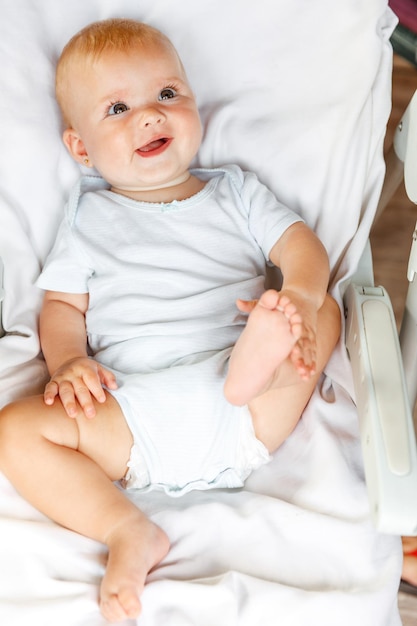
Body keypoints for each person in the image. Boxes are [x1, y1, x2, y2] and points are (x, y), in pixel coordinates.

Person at [0, 18, 341, 623]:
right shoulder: (87, 218)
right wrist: (70, 362)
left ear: (193, 104)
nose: (150, 117)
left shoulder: (234, 192)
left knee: (326, 306)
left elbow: (298, 247)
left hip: (246, 403)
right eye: (118, 108)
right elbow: (62, 306)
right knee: (16, 431)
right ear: (80, 147)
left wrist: (306, 299)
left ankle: (257, 365)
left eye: (166, 95)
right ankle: (126, 529)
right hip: (131, 412)